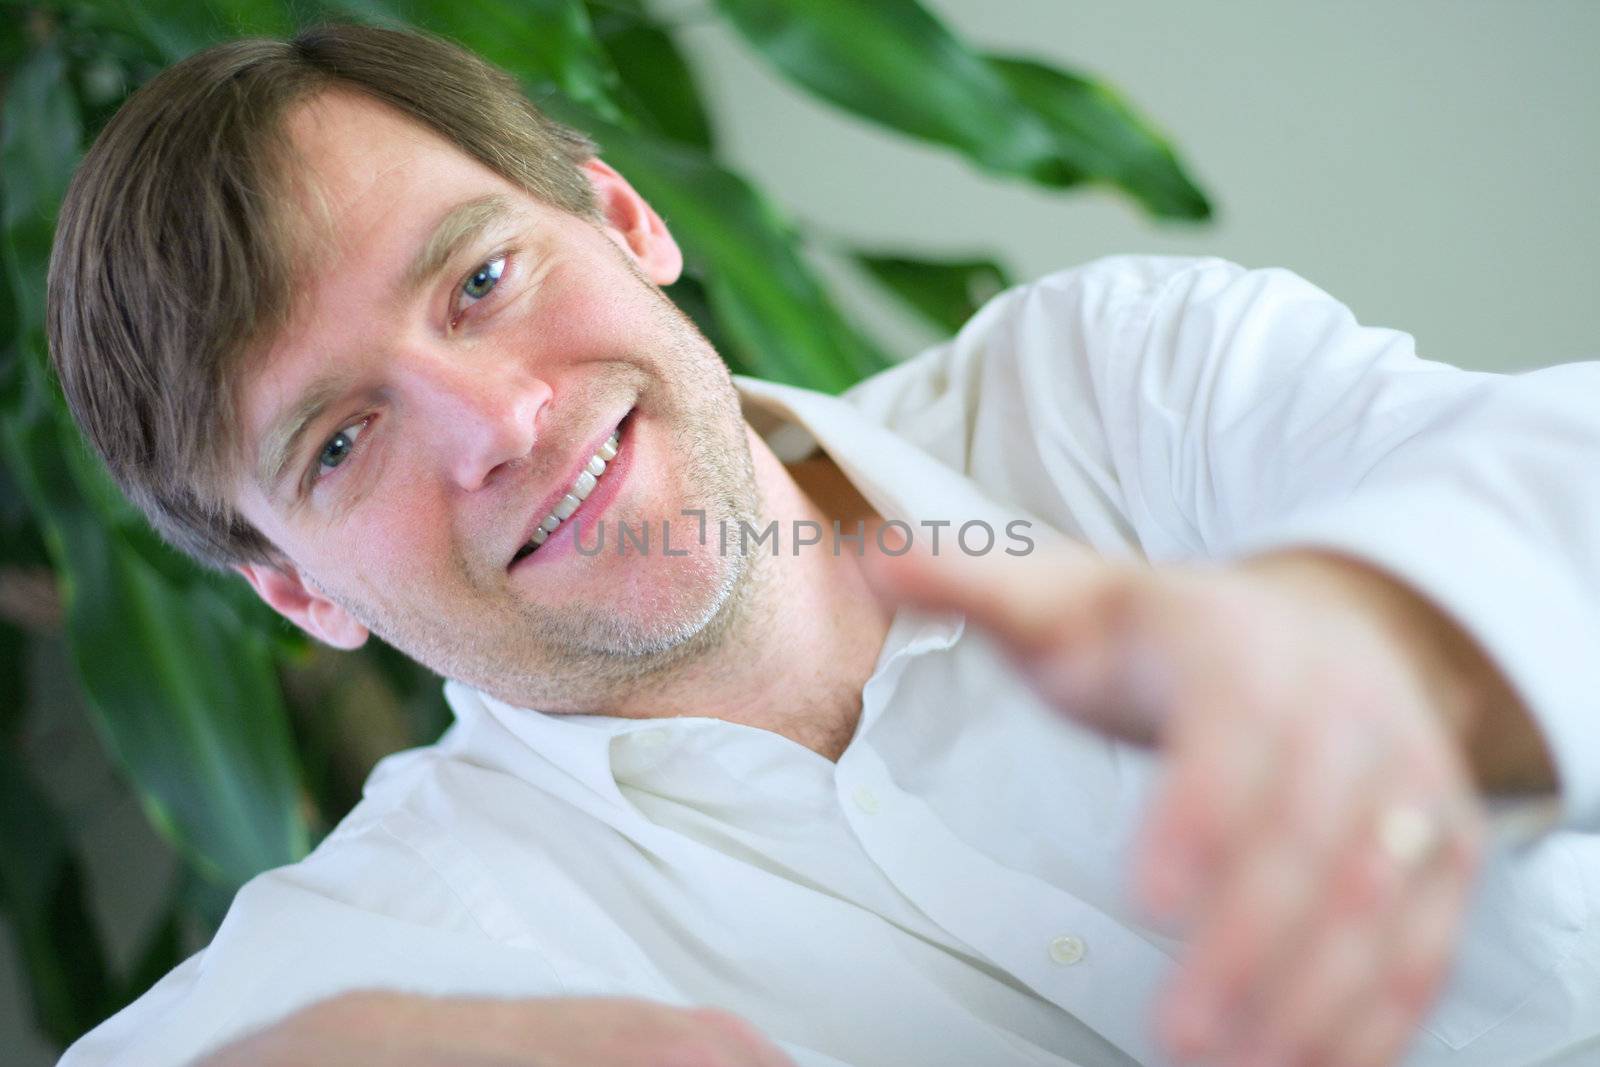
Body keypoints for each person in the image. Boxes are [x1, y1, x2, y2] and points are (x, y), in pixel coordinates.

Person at [45, 22, 1600, 1067]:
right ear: (300, 589)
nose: (498, 421)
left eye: (481, 280)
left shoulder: (1118, 395)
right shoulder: (389, 957)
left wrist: (1406, 641)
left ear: (627, 216)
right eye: (339, 441)